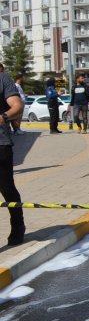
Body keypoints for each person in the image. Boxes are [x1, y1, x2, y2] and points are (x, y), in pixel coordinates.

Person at [0, 68, 25, 246]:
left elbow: (17, 105)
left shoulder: (3, 79)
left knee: (7, 188)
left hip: (0, 144)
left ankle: (18, 225)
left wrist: (4, 116)